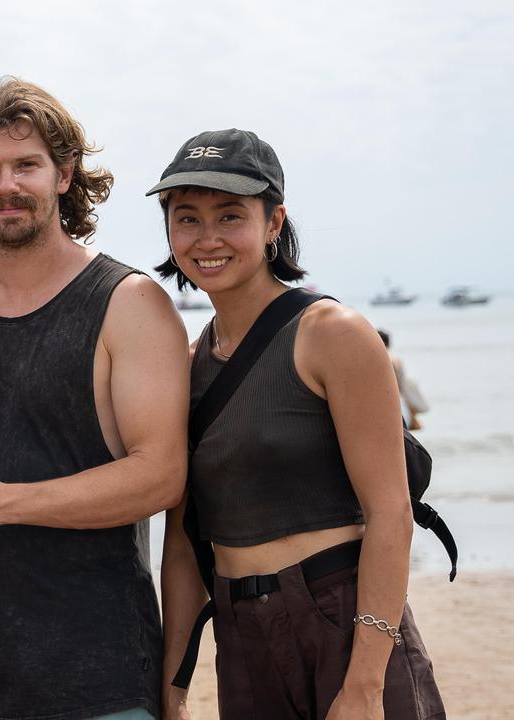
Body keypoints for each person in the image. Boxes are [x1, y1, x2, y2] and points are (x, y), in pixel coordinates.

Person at [0, 77, 189, 720]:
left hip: (104, 672)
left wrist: (6, 504)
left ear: (64, 175)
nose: (5, 185)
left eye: (26, 165)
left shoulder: (130, 302)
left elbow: (161, 476)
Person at [151, 129, 445, 719]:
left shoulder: (331, 334)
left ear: (273, 221)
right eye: (187, 219)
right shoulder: (184, 365)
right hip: (240, 633)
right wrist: (173, 682)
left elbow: (392, 513)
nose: (208, 239)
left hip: (341, 613)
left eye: (230, 216)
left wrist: (363, 683)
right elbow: (183, 546)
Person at [378, 329, 428, 430]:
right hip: (402, 404)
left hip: (389, 405)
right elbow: (403, 385)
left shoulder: (383, 360)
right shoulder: (397, 360)